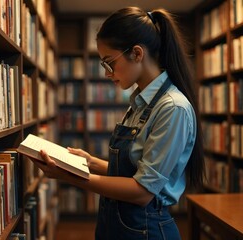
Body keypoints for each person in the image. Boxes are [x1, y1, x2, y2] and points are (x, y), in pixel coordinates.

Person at [32, 6, 205, 240]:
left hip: (146, 230)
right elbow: (135, 170)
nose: (107, 73)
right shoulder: (140, 102)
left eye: (109, 62)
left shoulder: (172, 108)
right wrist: (90, 162)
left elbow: (142, 191)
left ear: (136, 53)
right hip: (117, 226)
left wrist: (69, 177)